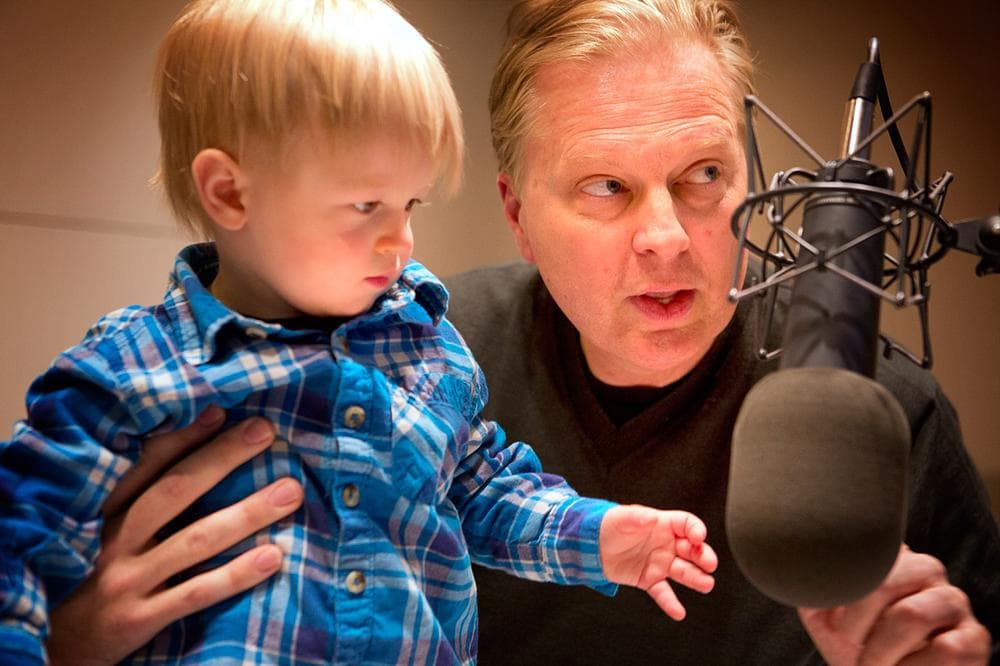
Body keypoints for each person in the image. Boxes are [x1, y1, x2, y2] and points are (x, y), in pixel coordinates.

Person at [39, 0, 1000, 664]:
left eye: (704, 175)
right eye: (605, 188)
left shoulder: (886, 409)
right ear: (517, 214)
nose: (668, 237)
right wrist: (63, 643)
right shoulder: (414, 353)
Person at [0, 1, 724, 664]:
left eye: (408, 203)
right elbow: (19, 557)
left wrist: (594, 538)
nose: (401, 241)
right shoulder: (127, 375)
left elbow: (480, 489)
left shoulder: (428, 349)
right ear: (229, 192)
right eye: (366, 204)